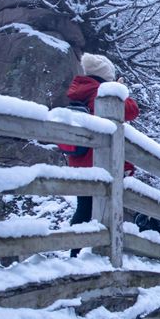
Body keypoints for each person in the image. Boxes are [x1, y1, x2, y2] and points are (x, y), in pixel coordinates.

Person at [59, 53, 139, 254]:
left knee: (84, 208)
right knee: (98, 210)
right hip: (98, 164)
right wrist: (120, 90)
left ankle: (76, 251)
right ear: (106, 77)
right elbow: (131, 110)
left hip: (80, 163)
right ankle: (88, 253)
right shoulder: (101, 93)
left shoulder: (81, 91)